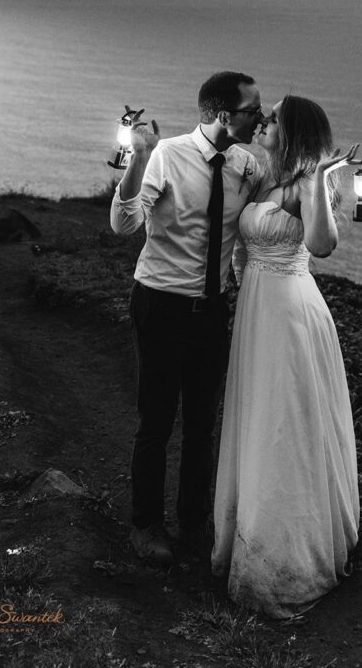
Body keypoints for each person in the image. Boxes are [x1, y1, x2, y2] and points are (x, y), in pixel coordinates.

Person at [211, 94, 361, 618]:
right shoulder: (266, 181)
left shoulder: (301, 186)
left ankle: (284, 558)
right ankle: (247, 534)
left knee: (284, 424)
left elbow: (321, 245)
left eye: (274, 117)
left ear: (293, 131)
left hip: (291, 312)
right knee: (259, 416)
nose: (266, 122)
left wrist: (320, 178)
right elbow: (240, 238)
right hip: (258, 308)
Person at [110, 71, 264, 569]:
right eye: (251, 111)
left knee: (202, 426)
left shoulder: (247, 165)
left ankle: (194, 522)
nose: (258, 118)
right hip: (160, 305)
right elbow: (125, 223)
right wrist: (136, 157)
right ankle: (146, 525)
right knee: (156, 423)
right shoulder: (167, 156)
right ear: (224, 115)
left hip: (211, 312)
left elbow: (256, 229)